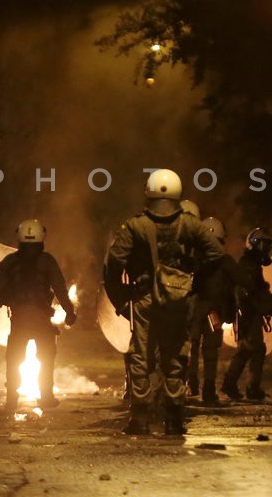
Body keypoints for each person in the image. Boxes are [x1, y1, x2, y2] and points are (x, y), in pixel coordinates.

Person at [105, 169, 224, 436]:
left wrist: (121, 299)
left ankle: (140, 418)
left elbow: (114, 263)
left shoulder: (135, 226)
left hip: (144, 297)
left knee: (140, 355)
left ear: (148, 192)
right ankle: (174, 419)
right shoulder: (191, 225)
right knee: (175, 356)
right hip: (179, 298)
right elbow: (216, 254)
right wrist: (193, 280)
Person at [0, 219, 76, 412]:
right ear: (42, 237)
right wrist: (70, 313)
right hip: (41, 319)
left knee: (14, 359)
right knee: (46, 358)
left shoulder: (10, 262)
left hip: (19, 319)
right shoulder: (47, 261)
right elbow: (60, 289)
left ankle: (11, 400)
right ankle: (46, 397)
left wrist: (13, 299)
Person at [221, 227, 272, 402]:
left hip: (248, 313)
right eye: (265, 245)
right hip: (248, 314)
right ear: (257, 244)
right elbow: (246, 291)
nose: (268, 250)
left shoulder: (252, 263)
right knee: (254, 349)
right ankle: (250, 389)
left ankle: (232, 385)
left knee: (247, 350)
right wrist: (260, 301)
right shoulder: (249, 263)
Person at [187, 216, 242, 404]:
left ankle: (190, 384)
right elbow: (241, 280)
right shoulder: (224, 260)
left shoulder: (191, 257)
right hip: (213, 312)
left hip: (193, 309)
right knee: (210, 350)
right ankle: (208, 390)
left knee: (190, 347)